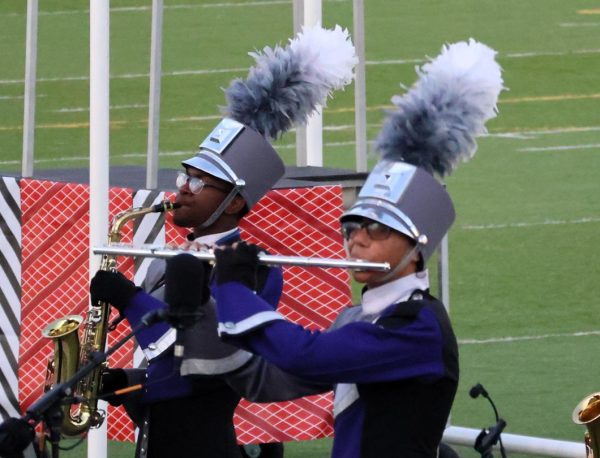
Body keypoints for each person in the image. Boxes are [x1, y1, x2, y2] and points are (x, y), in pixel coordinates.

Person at [209, 39, 504, 457]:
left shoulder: (416, 326)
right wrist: (212, 309)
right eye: (352, 229)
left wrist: (234, 291)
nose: (358, 240)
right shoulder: (361, 315)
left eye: (376, 230)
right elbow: (268, 381)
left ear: (417, 245)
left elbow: (307, 356)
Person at [90, 24, 358, 458]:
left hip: (203, 442)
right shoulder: (167, 259)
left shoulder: (255, 270)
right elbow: (167, 367)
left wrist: (127, 296)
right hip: (159, 435)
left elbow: (200, 352)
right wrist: (127, 383)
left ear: (234, 204)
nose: (182, 189)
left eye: (199, 182)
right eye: (185, 177)